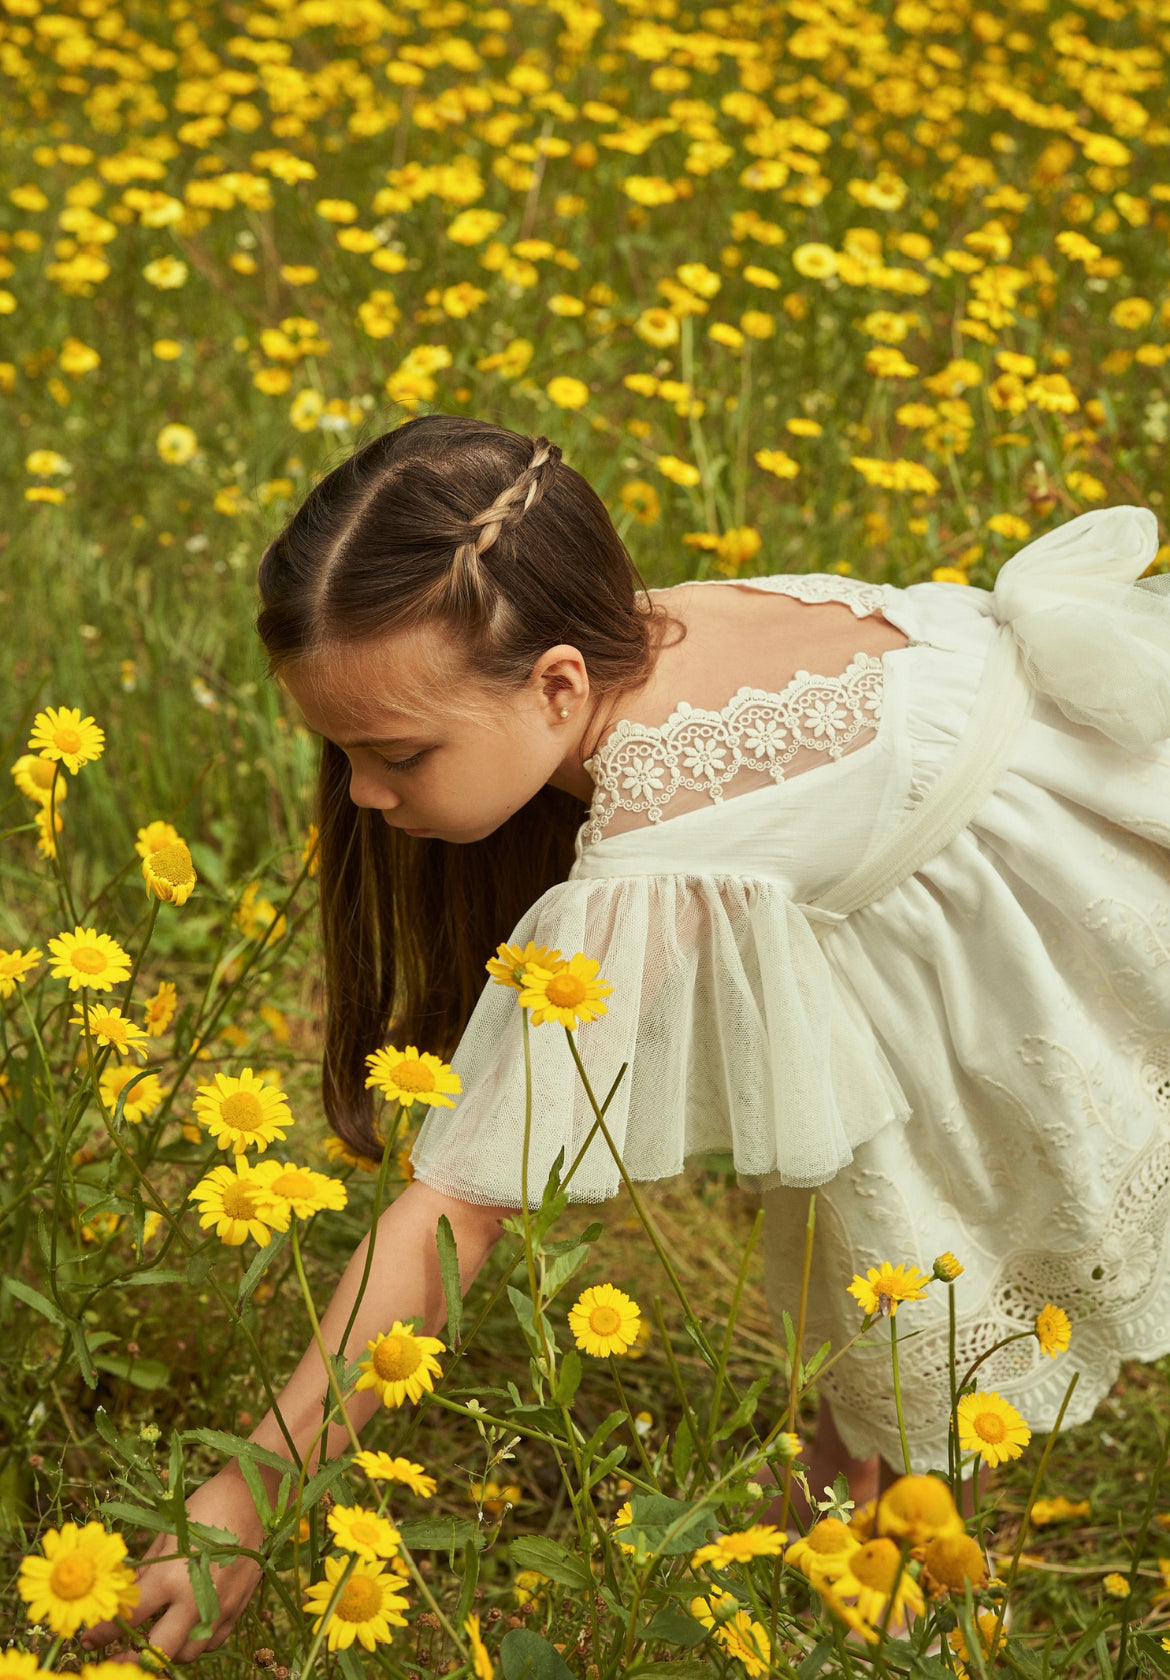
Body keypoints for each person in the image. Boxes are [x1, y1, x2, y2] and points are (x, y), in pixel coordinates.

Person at [84, 413, 1170, 1664]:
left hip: (1080, 907)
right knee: (884, 1266)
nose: (365, 794)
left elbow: (460, 1213)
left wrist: (257, 1491)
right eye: (340, 754)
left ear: (554, 684)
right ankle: (840, 1507)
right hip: (1030, 835)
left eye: (391, 755)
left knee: (942, 1262)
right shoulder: (628, 628)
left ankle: (877, 1559)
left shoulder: (662, 843)